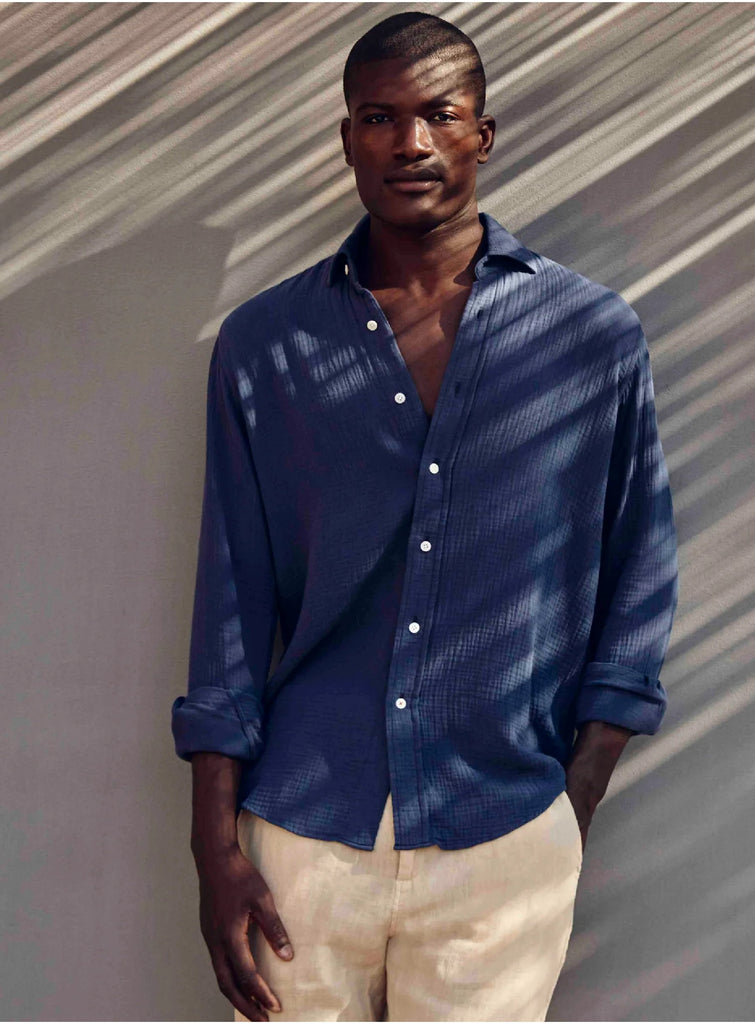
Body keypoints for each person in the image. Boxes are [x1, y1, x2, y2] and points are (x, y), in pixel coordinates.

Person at [171, 11, 679, 1022]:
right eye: (378, 117)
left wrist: (568, 805)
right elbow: (231, 593)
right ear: (346, 138)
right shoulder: (268, 343)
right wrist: (212, 847)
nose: (409, 141)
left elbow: (639, 573)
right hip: (303, 837)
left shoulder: (588, 336)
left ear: (481, 134)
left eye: (438, 114)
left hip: (503, 831)